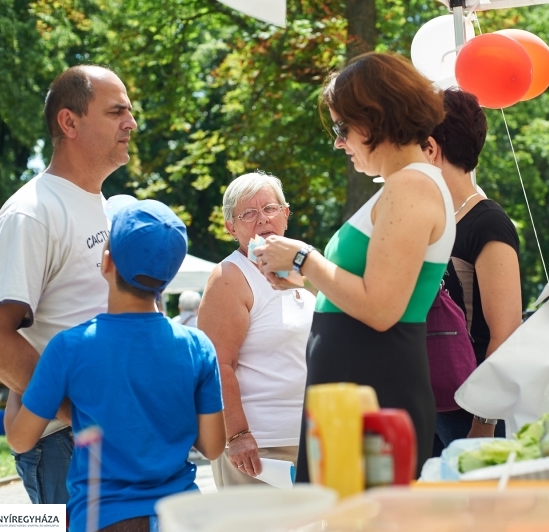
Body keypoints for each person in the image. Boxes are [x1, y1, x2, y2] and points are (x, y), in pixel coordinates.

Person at [253, 52, 454, 480]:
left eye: (341, 128)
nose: (338, 142)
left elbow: (380, 308)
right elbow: (367, 293)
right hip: (358, 390)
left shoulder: (411, 185)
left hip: (374, 392)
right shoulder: (405, 184)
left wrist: (304, 258)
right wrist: (303, 278)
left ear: (375, 117)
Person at [0, 65, 137, 504]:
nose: (131, 123)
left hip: (109, 437)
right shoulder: (31, 213)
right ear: (69, 122)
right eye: (116, 112)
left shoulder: (100, 205)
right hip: (68, 446)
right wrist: (78, 415)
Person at [5, 199, 225, 532]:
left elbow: (20, 439)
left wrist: (16, 381)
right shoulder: (198, 346)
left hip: (103, 518)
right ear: (168, 277)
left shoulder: (70, 347)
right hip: (183, 516)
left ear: (106, 261)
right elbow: (213, 446)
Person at [198, 171, 315, 486]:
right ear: (230, 227)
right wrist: (237, 434)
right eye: (248, 213)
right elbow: (217, 365)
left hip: (312, 438)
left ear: (286, 214)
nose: (262, 218)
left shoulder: (303, 267)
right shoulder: (229, 277)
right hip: (259, 451)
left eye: (270, 208)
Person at [421, 89, 522, 453]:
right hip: (431, 407)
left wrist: (484, 423)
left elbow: (505, 334)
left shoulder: (487, 223)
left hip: (474, 414)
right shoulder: (431, 220)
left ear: (431, 148)